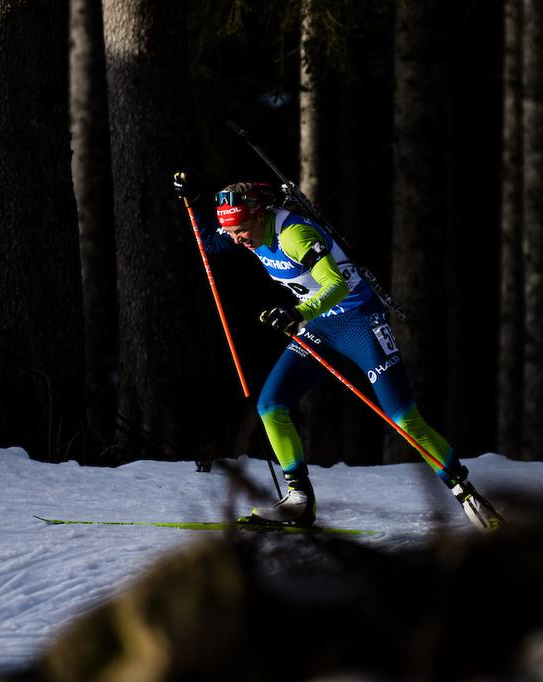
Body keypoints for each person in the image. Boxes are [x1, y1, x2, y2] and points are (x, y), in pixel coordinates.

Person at [178, 178, 501, 531]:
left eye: (240, 230)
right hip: (320, 328)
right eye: (232, 231)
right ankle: (299, 500)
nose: (238, 238)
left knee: (403, 419)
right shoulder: (246, 229)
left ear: (257, 216)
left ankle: (467, 492)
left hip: (358, 323)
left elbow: (336, 285)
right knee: (270, 405)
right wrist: (194, 202)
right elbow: (209, 242)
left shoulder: (293, 235)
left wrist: (298, 314)